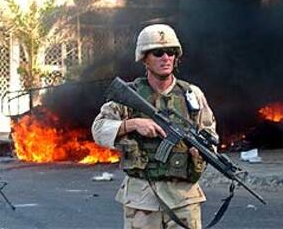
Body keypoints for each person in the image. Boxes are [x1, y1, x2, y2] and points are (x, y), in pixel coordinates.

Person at [92, 24, 218, 229]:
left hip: (183, 198)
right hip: (142, 199)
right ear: (144, 58)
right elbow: (99, 129)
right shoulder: (129, 96)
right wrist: (133, 124)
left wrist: (201, 151)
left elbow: (210, 134)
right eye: (158, 53)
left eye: (171, 52)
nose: (165, 58)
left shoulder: (192, 95)